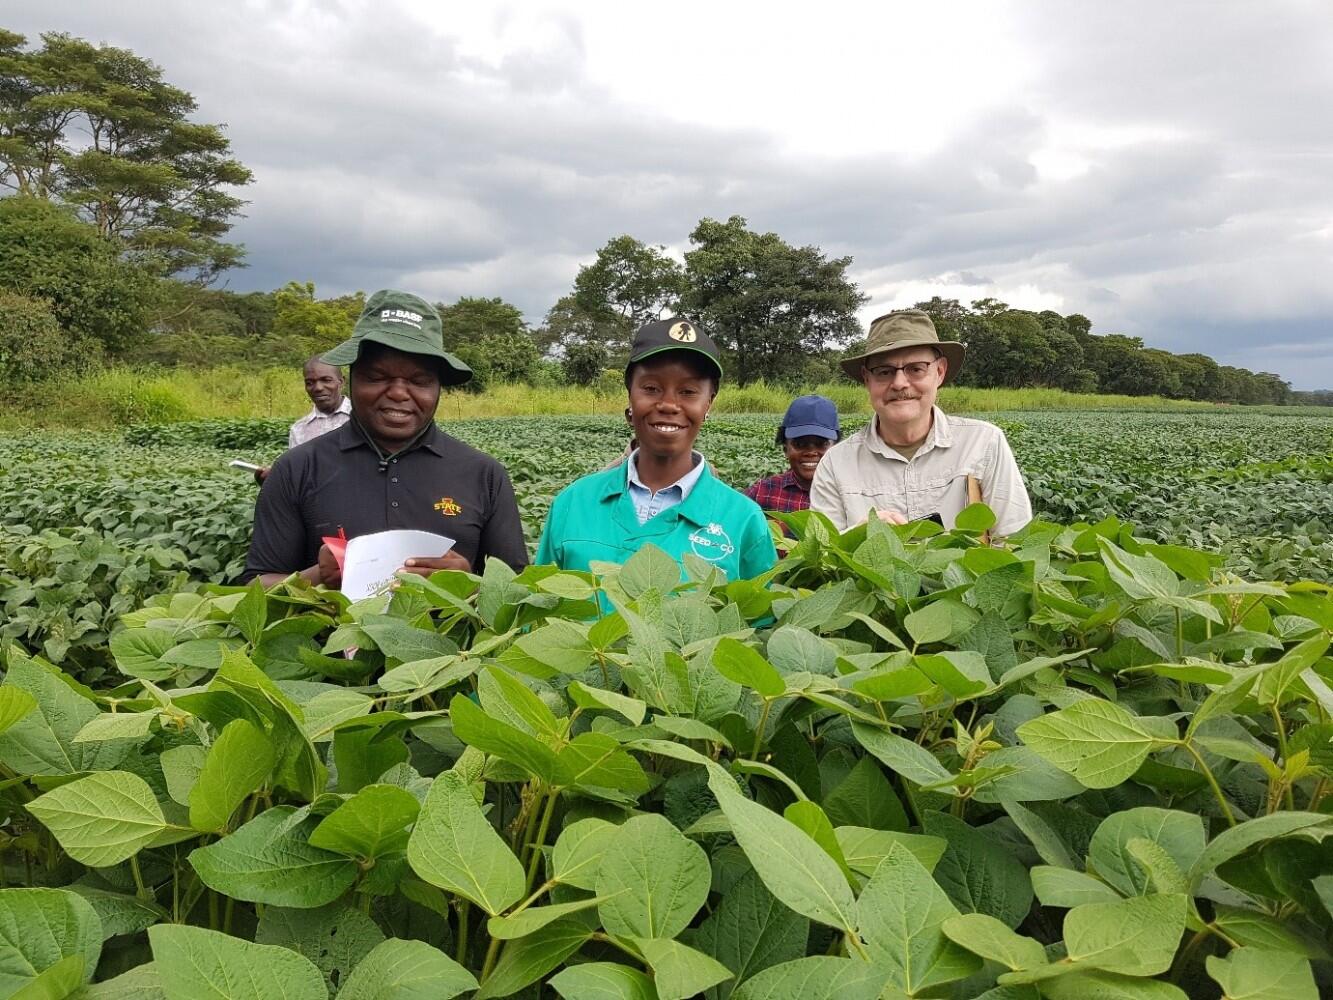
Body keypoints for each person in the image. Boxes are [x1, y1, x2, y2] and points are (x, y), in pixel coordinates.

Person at [244, 289, 529, 587]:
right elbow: (253, 585)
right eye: (378, 378)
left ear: (438, 388)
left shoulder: (483, 475)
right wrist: (315, 577)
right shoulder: (296, 469)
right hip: (331, 636)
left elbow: (516, 590)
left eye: (419, 381)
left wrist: (468, 583)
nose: (398, 392)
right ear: (351, 379)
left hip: (448, 635)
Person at [536, 317, 776, 581]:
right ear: (630, 395)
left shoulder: (743, 520)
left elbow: (760, 620)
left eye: (688, 391)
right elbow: (536, 611)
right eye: (651, 388)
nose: (669, 405)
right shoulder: (573, 503)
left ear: (709, 403)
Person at [811, 309, 1032, 539]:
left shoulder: (984, 444)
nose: (899, 383)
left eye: (915, 368)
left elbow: (1014, 544)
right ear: (867, 380)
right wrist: (857, 537)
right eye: (884, 372)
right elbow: (825, 562)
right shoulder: (836, 464)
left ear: (939, 371)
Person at [253, 357, 351, 483]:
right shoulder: (299, 429)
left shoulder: (363, 418)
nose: (318, 388)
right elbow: (297, 475)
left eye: (326, 380)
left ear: (341, 382)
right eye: (310, 383)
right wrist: (272, 480)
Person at [743, 394, 840, 514]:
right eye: (800, 444)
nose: (810, 452)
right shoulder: (763, 492)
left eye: (821, 443)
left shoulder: (851, 494)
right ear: (785, 448)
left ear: (837, 448)